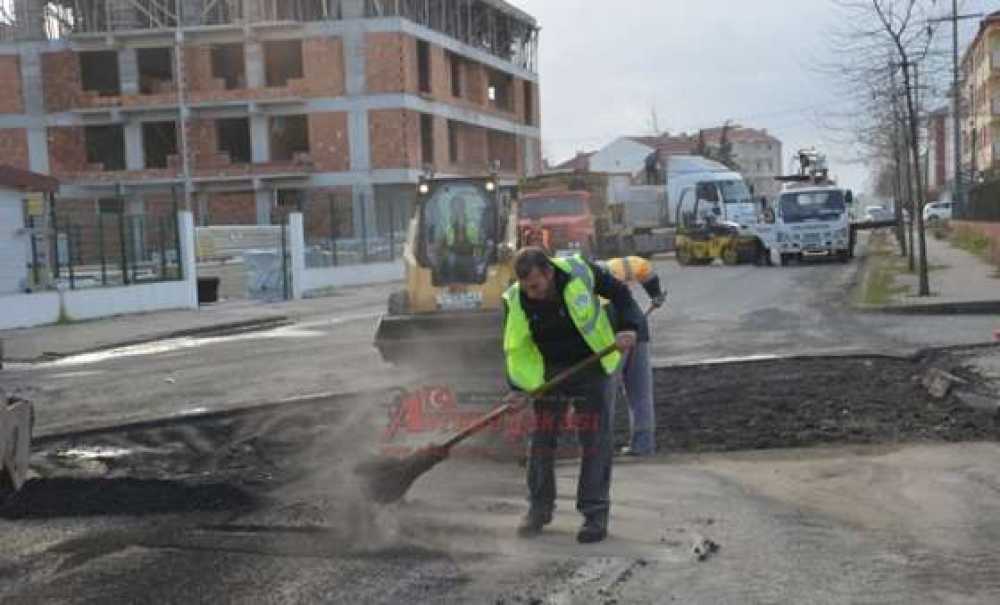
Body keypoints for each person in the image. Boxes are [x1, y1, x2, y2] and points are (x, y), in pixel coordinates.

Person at [502, 247, 644, 544]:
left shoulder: (581, 271)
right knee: (541, 441)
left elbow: (621, 295)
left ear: (549, 273)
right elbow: (516, 349)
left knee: (594, 441)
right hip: (548, 373)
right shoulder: (515, 299)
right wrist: (517, 390)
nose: (533, 294)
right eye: (527, 288)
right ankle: (538, 511)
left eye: (537, 287)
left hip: (592, 363)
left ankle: (594, 515)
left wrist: (629, 328)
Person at [598, 256, 666, 457]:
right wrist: (655, 294)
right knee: (640, 393)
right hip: (637, 326)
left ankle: (601, 448)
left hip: (610, 332)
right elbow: (643, 267)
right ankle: (644, 446)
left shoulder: (573, 287)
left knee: (604, 393)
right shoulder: (612, 267)